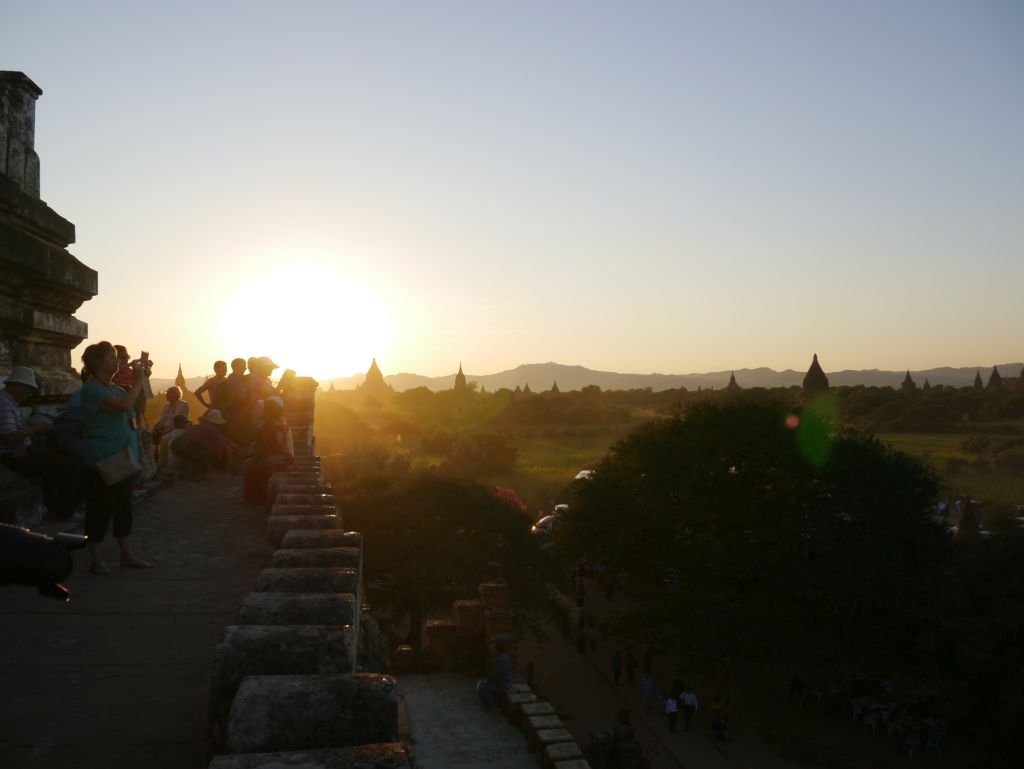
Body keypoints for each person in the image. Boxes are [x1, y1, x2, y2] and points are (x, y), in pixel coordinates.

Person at [79, 342, 152, 574]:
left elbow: (138, 403)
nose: (116, 361)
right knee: (99, 509)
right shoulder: (93, 389)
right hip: (102, 459)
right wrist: (138, 379)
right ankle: (96, 559)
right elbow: (122, 407)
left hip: (122, 458)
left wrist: (143, 378)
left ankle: (126, 554)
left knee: (123, 508)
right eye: (111, 357)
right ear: (98, 363)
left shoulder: (116, 388)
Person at [0, 366, 80, 519]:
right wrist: (36, 429)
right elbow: (9, 437)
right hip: (15, 457)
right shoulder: (3, 404)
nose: (29, 394)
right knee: (69, 466)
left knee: (59, 461)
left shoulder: (9, 402)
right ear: (17, 386)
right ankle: (63, 511)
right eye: (27, 389)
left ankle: (55, 508)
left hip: (23, 451)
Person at [243, 397, 293, 503]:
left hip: (274, 458)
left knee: (251, 465)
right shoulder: (281, 422)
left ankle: (254, 498)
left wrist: (258, 455)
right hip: (283, 456)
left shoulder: (269, 425)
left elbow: (270, 446)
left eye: (266, 408)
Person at [171, 409, 233, 479]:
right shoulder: (209, 428)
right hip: (181, 446)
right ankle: (198, 474)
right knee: (205, 453)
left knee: (198, 452)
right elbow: (222, 443)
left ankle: (196, 472)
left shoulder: (200, 426)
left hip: (176, 445)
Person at [215, 358, 251, 447]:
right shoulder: (235, 380)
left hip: (231, 417)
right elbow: (242, 397)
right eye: (243, 367)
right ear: (235, 367)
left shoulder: (232, 379)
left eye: (245, 367)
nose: (244, 369)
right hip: (235, 418)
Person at [477, 642, 513, 711]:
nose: (493, 651)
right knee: (488, 684)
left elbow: (493, 675)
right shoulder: (506, 657)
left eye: (494, 650)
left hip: (503, 685)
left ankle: (488, 707)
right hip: (508, 682)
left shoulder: (498, 660)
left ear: (497, 651)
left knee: (481, 687)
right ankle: (495, 702)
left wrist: (485, 681)